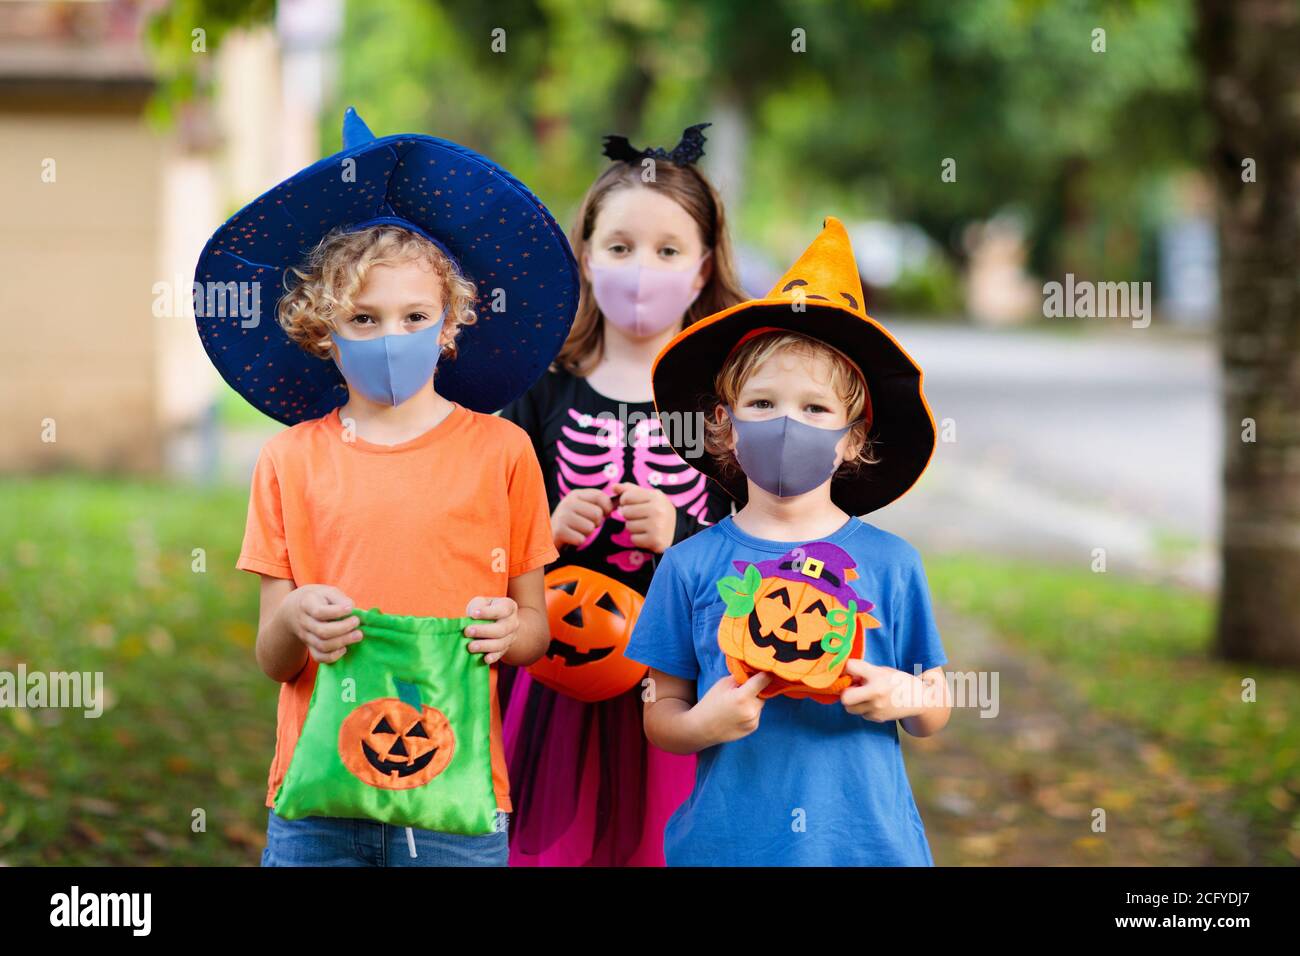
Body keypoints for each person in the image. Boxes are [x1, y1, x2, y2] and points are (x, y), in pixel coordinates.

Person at [193, 108, 580, 866]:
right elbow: (274, 656)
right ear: (319, 330)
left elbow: (534, 628)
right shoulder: (290, 460)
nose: (389, 338)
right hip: (317, 797)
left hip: (457, 797)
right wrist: (297, 617)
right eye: (362, 319)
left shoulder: (502, 451)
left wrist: (514, 632)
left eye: (413, 316)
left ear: (450, 325)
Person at [626, 217, 953, 865]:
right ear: (723, 424)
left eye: (814, 410)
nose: (786, 425)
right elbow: (659, 712)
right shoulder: (690, 565)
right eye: (763, 404)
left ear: (853, 437)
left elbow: (935, 702)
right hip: (726, 846)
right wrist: (700, 725)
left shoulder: (892, 563)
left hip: (865, 847)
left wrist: (903, 696)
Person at [496, 124, 745, 865]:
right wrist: (547, 526)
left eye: (668, 251)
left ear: (701, 270)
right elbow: (495, 526)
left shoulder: (718, 399)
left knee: (663, 843)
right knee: (549, 840)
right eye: (621, 246)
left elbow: (759, 542)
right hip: (558, 667)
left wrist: (685, 530)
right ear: (585, 255)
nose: (643, 269)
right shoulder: (545, 386)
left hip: (677, 670)